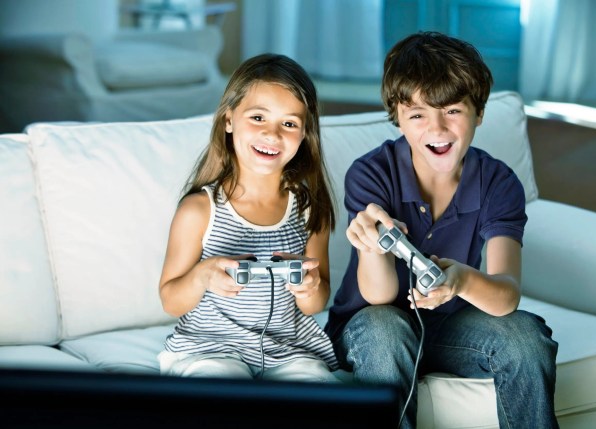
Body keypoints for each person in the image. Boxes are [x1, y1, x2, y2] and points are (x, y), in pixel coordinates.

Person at [324, 32, 559, 428]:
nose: (437, 128)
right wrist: (372, 248)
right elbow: (378, 296)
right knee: (385, 330)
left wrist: (461, 281)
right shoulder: (371, 173)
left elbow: (505, 297)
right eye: (417, 115)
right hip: (373, 323)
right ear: (398, 117)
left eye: (452, 110)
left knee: (525, 336)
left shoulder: (498, 182)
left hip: (450, 325)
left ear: (479, 112)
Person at [158, 53, 338, 383]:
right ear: (229, 120)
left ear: (304, 135)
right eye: (258, 118)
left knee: (321, 394)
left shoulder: (311, 210)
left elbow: (316, 303)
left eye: (289, 124)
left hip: (288, 350)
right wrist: (202, 276)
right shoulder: (199, 210)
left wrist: (309, 287)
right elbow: (171, 301)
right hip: (209, 348)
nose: (272, 135)